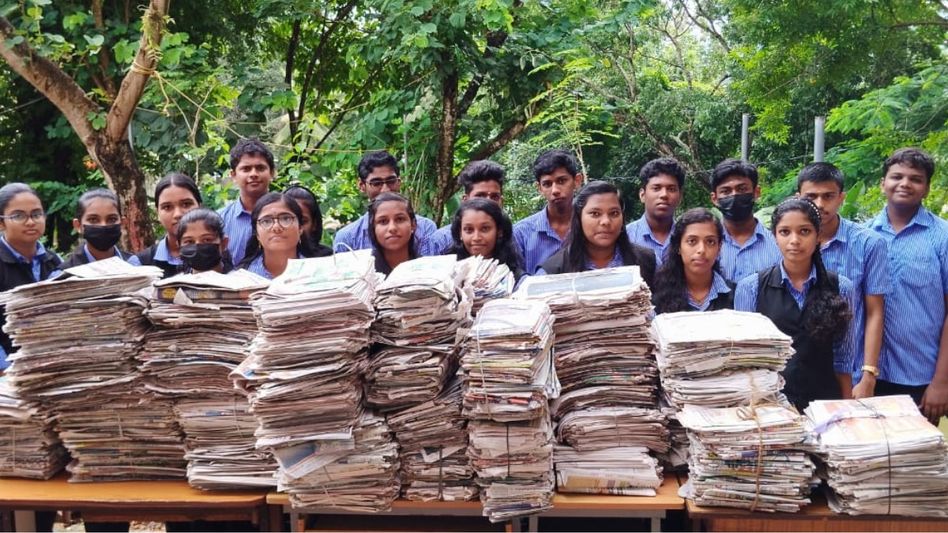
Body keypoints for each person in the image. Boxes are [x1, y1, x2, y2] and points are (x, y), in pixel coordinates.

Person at [735, 197, 855, 411]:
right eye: (785, 232)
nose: (794, 240)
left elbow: (843, 357)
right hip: (771, 405)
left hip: (826, 403)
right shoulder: (751, 288)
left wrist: (848, 409)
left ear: (818, 236)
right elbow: (745, 359)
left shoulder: (841, 287)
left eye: (804, 231)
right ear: (775, 237)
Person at [866, 147, 948, 422]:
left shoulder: (942, 238)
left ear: (926, 188)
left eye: (915, 179)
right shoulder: (864, 236)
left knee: (918, 460)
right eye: (896, 176)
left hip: (922, 376)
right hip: (871, 375)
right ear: (883, 184)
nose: (904, 184)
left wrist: (941, 382)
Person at [797, 162, 889, 399]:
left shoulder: (869, 244)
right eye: (811, 196)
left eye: (828, 196)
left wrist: (868, 375)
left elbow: (875, 311)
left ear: (841, 198)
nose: (819, 204)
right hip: (802, 373)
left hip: (853, 371)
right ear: (798, 197)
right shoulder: (788, 243)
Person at [537, 181, 657, 286]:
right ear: (579, 218)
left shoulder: (646, 261)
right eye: (595, 214)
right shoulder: (554, 270)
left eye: (614, 213)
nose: (606, 222)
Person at [0, 182, 62, 371]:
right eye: (18, 216)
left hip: (52, 365)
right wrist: (4, 368)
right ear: (1, 222)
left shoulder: (54, 261)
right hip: (9, 372)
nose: (30, 222)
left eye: (36, 214)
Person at [333, 150, 436, 252]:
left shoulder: (424, 229)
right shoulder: (347, 238)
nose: (385, 190)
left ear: (399, 182)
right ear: (362, 186)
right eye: (376, 183)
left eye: (391, 181)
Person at [514, 149, 584, 274]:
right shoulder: (521, 233)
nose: (555, 190)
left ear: (577, 181)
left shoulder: (591, 226)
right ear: (539, 188)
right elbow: (516, 279)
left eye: (561, 181)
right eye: (547, 184)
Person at [710, 158, 781, 281]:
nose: (734, 195)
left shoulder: (779, 244)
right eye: (726, 191)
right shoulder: (704, 246)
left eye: (742, 189)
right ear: (714, 199)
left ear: (756, 192)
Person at [652, 208, 734, 314]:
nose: (702, 250)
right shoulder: (656, 295)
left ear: (719, 248)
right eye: (692, 241)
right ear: (678, 247)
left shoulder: (734, 294)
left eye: (710, 242)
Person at [424, 160, 506, 255]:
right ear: (465, 200)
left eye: (494, 197)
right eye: (480, 196)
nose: (488, 202)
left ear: (502, 201)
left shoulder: (511, 238)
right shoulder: (441, 241)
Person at [129, 172, 202, 278]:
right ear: (157, 212)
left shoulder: (218, 256)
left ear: (199, 206)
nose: (178, 214)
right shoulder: (139, 264)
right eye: (167, 207)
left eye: (186, 204)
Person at [218, 138, 275, 266]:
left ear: (271, 173)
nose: (254, 174)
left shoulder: (287, 215)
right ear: (233, 175)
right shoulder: (220, 220)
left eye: (260, 168)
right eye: (246, 169)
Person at [626, 157, 685, 265]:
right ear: (642, 195)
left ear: (680, 197)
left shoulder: (687, 237)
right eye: (656, 188)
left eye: (671, 189)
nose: (664, 195)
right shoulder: (626, 238)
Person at [449, 198, 525, 280]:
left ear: (499, 231)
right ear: (460, 233)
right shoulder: (445, 275)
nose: (476, 237)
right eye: (469, 230)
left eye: (485, 229)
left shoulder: (516, 279)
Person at [237, 193, 306, 280]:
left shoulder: (318, 274)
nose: (276, 227)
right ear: (257, 234)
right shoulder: (241, 279)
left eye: (285, 219)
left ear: (300, 228)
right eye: (266, 221)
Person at [61, 188, 130, 268]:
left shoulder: (135, 266)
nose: (103, 225)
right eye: (93, 220)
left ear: (122, 223)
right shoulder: (63, 275)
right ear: (78, 225)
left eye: (112, 219)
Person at [369, 192, 419, 276]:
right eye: (383, 221)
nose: (392, 228)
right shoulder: (363, 273)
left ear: (413, 225)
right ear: (373, 228)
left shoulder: (427, 268)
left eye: (399, 219)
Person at [174, 209, 232, 273]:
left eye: (207, 240)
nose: (198, 246)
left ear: (224, 243)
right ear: (179, 246)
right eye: (189, 241)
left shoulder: (240, 281)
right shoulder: (173, 282)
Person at [284, 184, 332, 257]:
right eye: (287, 220)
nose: (296, 228)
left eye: (302, 222)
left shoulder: (329, 259)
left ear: (314, 224)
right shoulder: (265, 259)